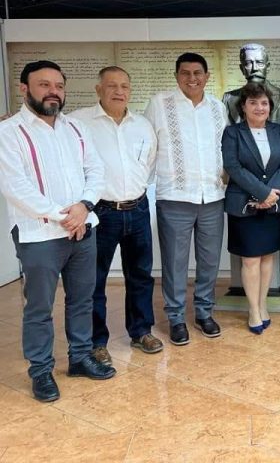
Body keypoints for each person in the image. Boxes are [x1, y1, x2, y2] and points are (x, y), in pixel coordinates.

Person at [0, 60, 114, 403]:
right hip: (39, 235)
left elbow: (96, 170)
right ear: (24, 88)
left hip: (83, 229)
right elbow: (15, 187)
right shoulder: (9, 132)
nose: (53, 91)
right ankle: (40, 370)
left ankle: (79, 357)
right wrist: (63, 215)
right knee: (39, 307)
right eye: (44, 84)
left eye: (59, 86)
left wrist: (84, 206)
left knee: (82, 299)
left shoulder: (76, 128)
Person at [70, 67, 162, 365]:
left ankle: (141, 331)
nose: (118, 91)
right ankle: (97, 342)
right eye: (111, 86)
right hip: (101, 212)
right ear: (99, 89)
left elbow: (149, 165)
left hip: (138, 208)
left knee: (140, 275)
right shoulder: (78, 122)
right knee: (94, 280)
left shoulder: (143, 125)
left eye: (124, 86)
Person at [144, 53, 227, 346]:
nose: (192, 78)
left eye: (197, 73)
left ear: (207, 76)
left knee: (209, 260)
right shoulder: (159, 104)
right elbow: (146, 145)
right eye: (185, 73)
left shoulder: (217, 107)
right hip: (175, 197)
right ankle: (176, 317)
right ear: (177, 75)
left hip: (212, 197)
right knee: (175, 262)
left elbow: (224, 147)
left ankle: (204, 312)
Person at [222, 83, 280, 333]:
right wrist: (263, 193)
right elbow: (233, 166)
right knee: (250, 259)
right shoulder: (233, 133)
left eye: (264, 103)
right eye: (253, 103)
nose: (259, 107)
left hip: (273, 204)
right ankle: (253, 310)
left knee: (267, 257)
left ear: (270, 107)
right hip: (244, 205)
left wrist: (271, 194)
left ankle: (263, 305)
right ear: (243, 107)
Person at [223, 43, 280, 125]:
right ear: (242, 69)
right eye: (248, 63)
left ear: (267, 67)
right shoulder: (228, 99)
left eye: (260, 63)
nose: (254, 68)